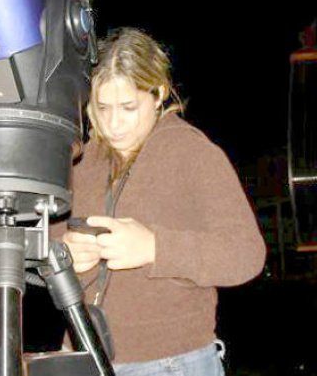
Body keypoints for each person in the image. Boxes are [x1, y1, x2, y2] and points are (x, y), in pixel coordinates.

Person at [55, 27, 266, 375]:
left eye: (128, 107)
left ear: (158, 94)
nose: (113, 123)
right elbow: (44, 240)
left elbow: (246, 254)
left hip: (170, 362)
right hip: (79, 356)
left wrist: (155, 248)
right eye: (102, 107)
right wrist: (63, 251)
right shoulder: (80, 161)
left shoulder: (193, 153)